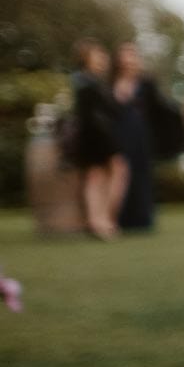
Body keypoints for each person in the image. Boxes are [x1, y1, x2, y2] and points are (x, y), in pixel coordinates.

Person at [108, 42, 184, 234]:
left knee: (141, 174)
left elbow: (159, 107)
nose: (129, 61)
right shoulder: (111, 83)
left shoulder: (145, 83)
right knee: (120, 174)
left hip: (141, 134)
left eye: (132, 56)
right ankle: (119, 218)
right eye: (125, 57)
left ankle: (141, 220)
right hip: (119, 133)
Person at [67, 40, 123, 241]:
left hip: (94, 134)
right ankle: (101, 220)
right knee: (110, 171)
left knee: (96, 176)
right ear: (86, 57)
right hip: (96, 135)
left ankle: (98, 221)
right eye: (98, 54)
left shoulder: (89, 80)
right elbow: (96, 113)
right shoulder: (87, 81)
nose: (102, 58)